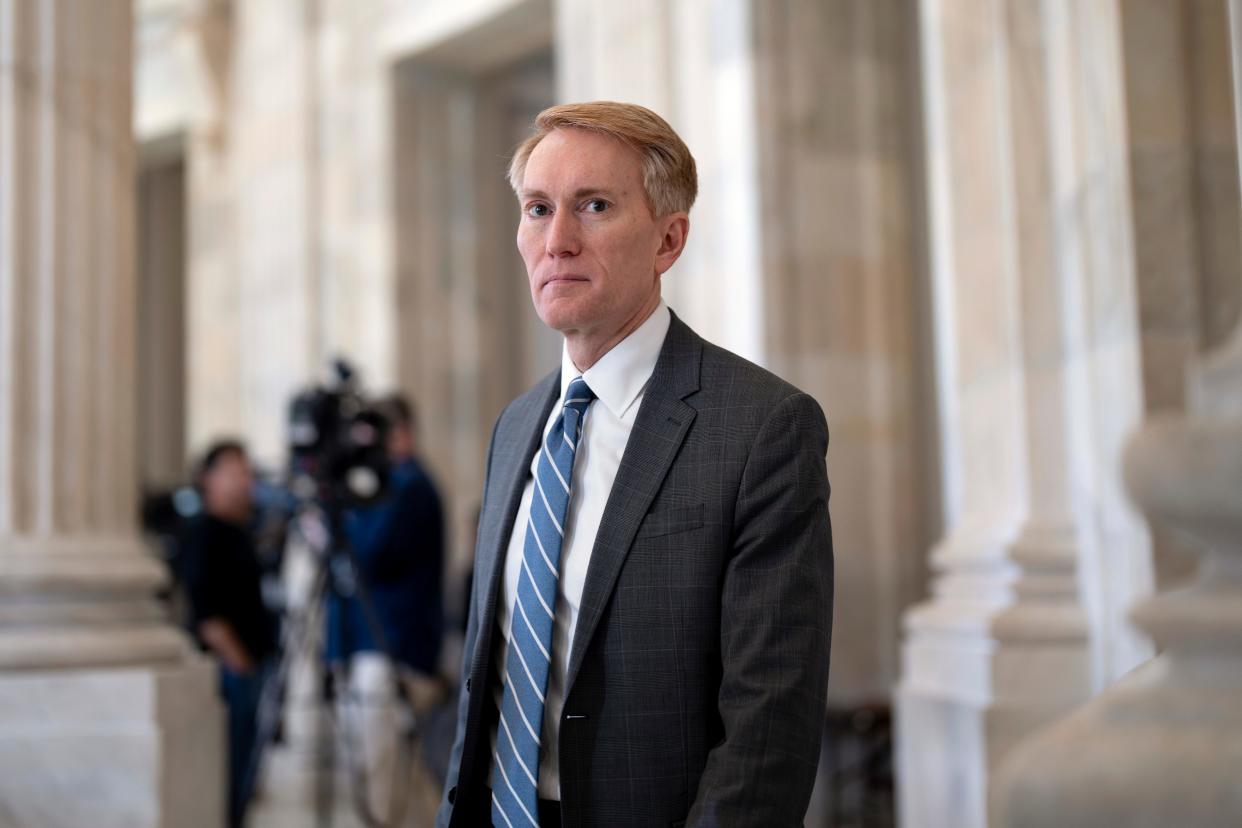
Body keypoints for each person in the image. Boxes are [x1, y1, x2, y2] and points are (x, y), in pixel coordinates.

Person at [437, 102, 834, 828]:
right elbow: (486, 685)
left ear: (668, 240)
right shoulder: (516, 426)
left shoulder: (762, 428)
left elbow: (769, 721)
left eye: (593, 206)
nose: (557, 240)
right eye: (537, 208)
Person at [326, 393, 446, 822]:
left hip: (391, 652)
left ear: (402, 435)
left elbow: (370, 556)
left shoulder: (408, 486)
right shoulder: (390, 486)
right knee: (406, 789)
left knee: (381, 789)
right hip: (374, 647)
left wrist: (341, 516)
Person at [181, 439, 276, 828]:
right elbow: (207, 612)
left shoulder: (241, 530)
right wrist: (240, 665)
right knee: (229, 775)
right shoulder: (206, 533)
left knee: (244, 776)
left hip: (250, 668)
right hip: (232, 673)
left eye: (247, 471)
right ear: (210, 478)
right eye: (236, 471)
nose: (245, 480)